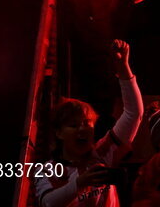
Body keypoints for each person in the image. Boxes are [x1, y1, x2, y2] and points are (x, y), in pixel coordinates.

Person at [34, 41, 143, 207]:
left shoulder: (102, 153)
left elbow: (133, 113)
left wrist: (123, 67)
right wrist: (79, 183)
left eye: (87, 123)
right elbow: (48, 203)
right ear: (58, 133)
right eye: (73, 125)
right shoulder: (48, 169)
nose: (83, 129)